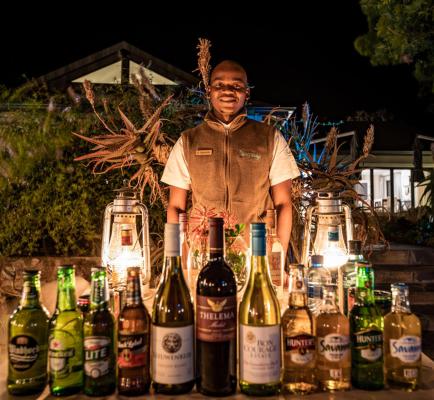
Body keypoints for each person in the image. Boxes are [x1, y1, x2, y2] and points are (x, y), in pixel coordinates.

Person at [161, 60, 299, 253]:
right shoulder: (188, 141)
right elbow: (176, 207)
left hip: (257, 254)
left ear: (247, 92)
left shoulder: (270, 138)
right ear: (209, 91)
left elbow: (283, 204)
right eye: (219, 85)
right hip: (203, 253)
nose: (227, 91)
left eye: (236, 85)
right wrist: (179, 261)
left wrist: (278, 258)